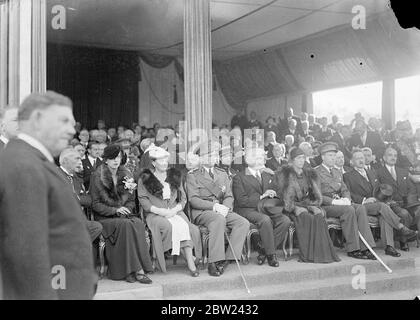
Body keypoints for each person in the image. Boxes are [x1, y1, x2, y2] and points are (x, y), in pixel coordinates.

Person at [0, 91, 96, 299]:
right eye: (64, 121)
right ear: (37, 119)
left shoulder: (29, 161)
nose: (72, 130)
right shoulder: (24, 165)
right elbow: (27, 252)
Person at [89, 144, 153, 283]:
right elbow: (95, 204)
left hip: (124, 216)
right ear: (106, 159)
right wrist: (115, 210)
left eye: (118, 157)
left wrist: (125, 210)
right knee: (125, 226)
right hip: (105, 217)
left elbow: (131, 200)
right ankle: (138, 271)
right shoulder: (97, 176)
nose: (115, 161)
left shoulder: (126, 173)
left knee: (137, 223)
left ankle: (129, 271)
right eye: (112, 158)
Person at [186, 141, 250, 277]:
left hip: (222, 209)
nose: (212, 157)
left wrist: (226, 208)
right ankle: (213, 262)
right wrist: (214, 206)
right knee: (218, 219)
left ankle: (227, 259)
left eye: (214, 154)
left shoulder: (222, 173)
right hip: (203, 211)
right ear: (201, 158)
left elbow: (228, 195)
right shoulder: (193, 175)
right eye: (209, 154)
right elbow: (193, 200)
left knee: (243, 223)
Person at [137, 146, 201, 276]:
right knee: (168, 226)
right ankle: (189, 260)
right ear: (154, 163)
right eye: (161, 161)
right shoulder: (145, 178)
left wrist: (175, 209)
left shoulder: (174, 175)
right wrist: (161, 212)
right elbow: (143, 200)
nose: (164, 163)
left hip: (175, 211)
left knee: (186, 226)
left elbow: (183, 198)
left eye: (166, 160)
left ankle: (190, 261)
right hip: (155, 214)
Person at [343, 149, 416, 256]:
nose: (361, 160)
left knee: (384, 215)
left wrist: (381, 198)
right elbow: (348, 193)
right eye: (357, 158)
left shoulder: (372, 173)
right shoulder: (347, 176)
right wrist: (364, 200)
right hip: (361, 206)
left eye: (362, 158)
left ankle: (389, 247)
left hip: (376, 203)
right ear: (352, 162)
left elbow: (378, 189)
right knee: (383, 207)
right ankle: (400, 227)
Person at [275, 147, 340, 263]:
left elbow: (315, 195)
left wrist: (312, 205)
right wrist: (295, 208)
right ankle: (308, 255)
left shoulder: (309, 173)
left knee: (318, 215)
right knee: (305, 216)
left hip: (307, 204)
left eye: (303, 158)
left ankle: (321, 253)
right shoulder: (284, 174)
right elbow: (283, 197)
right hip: (291, 207)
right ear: (292, 160)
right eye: (298, 158)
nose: (301, 161)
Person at [315, 142, 377, 260]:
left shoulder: (338, 171)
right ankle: (353, 248)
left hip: (341, 203)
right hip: (326, 205)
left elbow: (344, 189)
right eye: (330, 156)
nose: (333, 158)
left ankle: (367, 247)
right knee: (349, 210)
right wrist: (334, 202)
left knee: (360, 207)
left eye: (334, 156)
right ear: (323, 157)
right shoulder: (316, 172)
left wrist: (346, 199)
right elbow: (317, 195)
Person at [232, 148, 291, 267]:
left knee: (285, 220)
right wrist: (262, 196)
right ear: (248, 160)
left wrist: (274, 193)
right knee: (265, 219)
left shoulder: (267, 174)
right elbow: (242, 201)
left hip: (266, 208)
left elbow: (280, 192)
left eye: (262, 158)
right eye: (258, 158)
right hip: (247, 210)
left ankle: (263, 249)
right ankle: (271, 255)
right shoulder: (239, 177)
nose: (262, 160)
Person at [375, 146, 420, 250]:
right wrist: (388, 201)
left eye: (395, 155)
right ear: (384, 158)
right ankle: (403, 241)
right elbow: (377, 190)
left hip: (406, 202)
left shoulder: (403, 171)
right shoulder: (378, 172)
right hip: (390, 203)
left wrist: (410, 199)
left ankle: (415, 236)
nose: (393, 157)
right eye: (390, 155)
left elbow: (411, 188)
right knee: (404, 213)